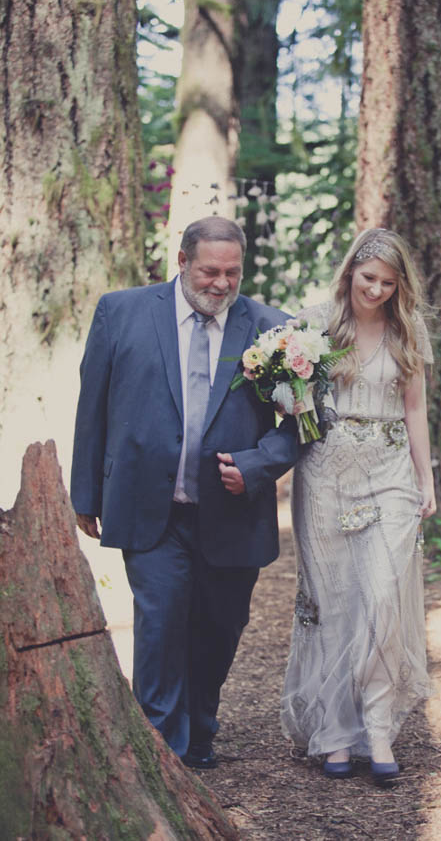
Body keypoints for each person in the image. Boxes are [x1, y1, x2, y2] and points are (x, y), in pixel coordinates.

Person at [71, 215, 297, 769]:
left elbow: (303, 423)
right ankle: (161, 753)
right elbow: (92, 406)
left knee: (219, 631)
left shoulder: (275, 331)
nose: (220, 283)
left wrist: (259, 464)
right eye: (209, 271)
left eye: (232, 273)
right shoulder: (120, 312)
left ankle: (198, 732)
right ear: (182, 262)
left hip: (233, 513)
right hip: (151, 507)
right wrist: (85, 495)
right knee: (160, 625)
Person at [280, 227, 436, 783]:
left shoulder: (408, 328)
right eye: (368, 278)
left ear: (400, 286)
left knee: (383, 597)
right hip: (324, 473)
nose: (376, 290)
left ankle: (377, 728)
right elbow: (282, 390)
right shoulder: (316, 321)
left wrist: (426, 478)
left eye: (388, 284)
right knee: (334, 600)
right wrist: (290, 394)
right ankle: (333, 732)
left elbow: (415, 409)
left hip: (391, 472)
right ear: (351, 272)